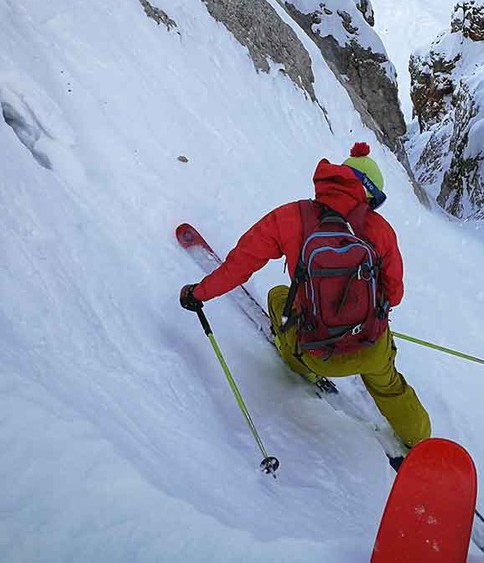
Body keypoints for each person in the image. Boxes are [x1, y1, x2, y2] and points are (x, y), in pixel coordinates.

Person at [179, 143, 431, 447]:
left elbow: (238, 266)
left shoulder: (292, 217)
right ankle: (421, 442)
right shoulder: (380, 230)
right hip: (371, 346)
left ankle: (301, 368)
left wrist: (199, 293)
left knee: (278, 297)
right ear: (368, 194)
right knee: (391, 387)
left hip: (316, 351)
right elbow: (395, 294)